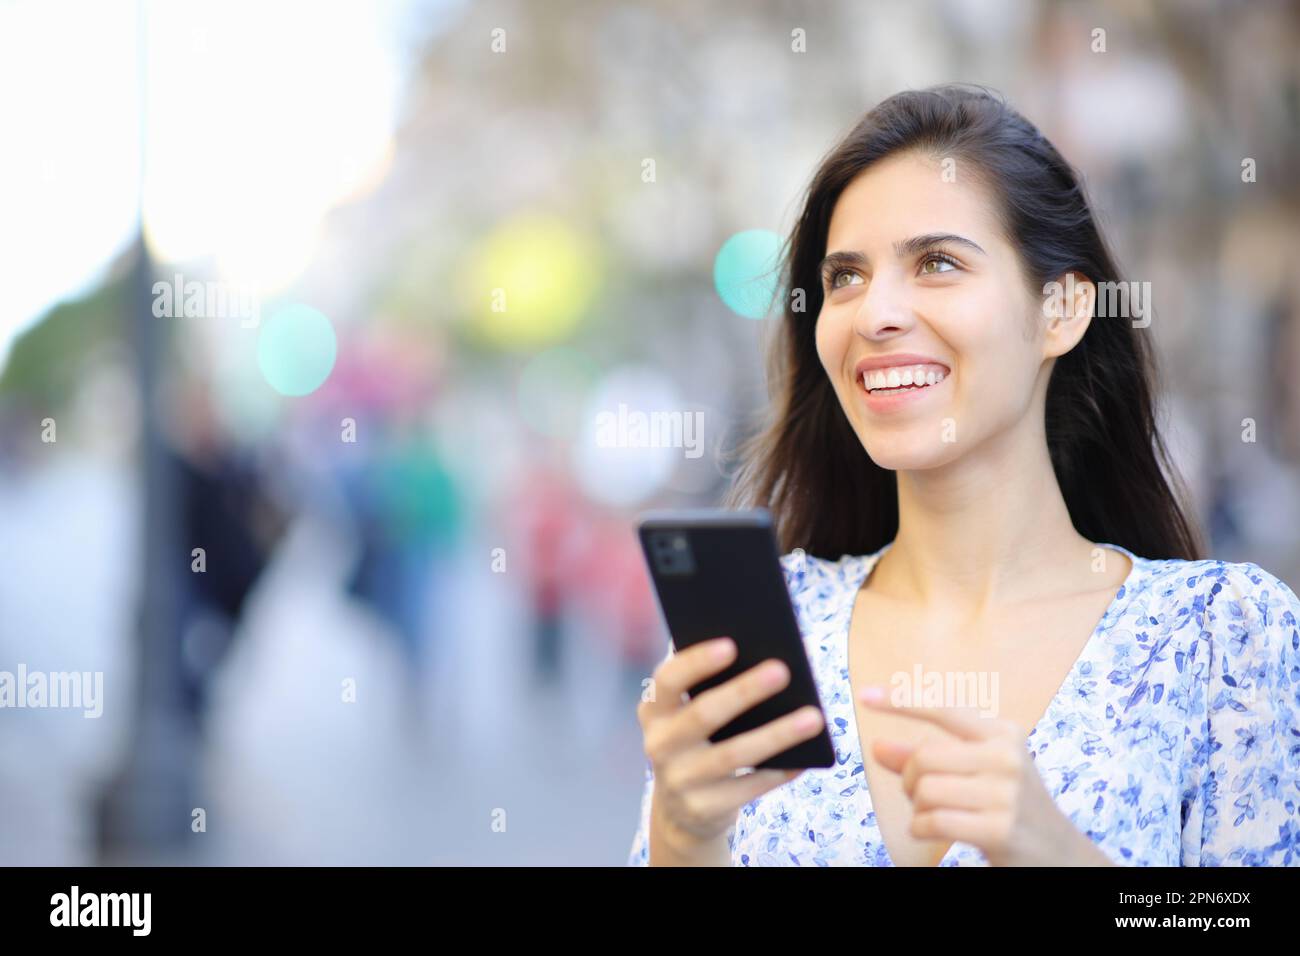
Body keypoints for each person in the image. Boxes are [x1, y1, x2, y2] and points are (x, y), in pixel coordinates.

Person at [627, 84, 1300, 867]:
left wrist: (1060, 855)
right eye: (845, 277)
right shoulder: (770, 637)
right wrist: (684, 834)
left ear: (1061, 311)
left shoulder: (1222, 638)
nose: (874, 312)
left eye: (936, 262)